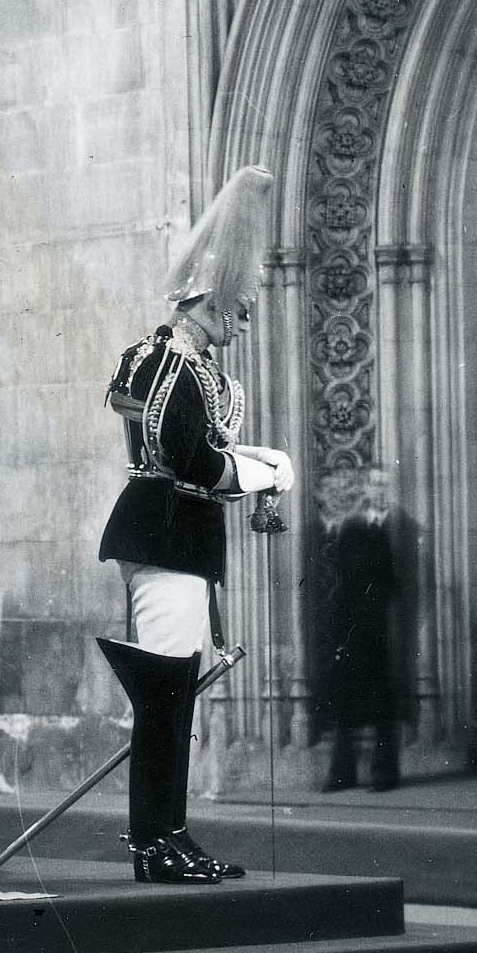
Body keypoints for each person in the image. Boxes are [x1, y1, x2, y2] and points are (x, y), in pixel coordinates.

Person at [97, 168, 294, 882]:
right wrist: (257, 472)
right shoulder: (170, 364)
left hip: (177, 534)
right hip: (164, 530)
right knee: (166, 692)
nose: (240, 324)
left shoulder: (187, 367)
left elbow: (197, 449)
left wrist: (251, 457)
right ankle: (156, 844)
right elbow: (185, 457)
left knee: (172, 693)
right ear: (206, 303)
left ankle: (168, 836)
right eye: (235, 311)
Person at [315, 467, 401, 793]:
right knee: (345, 703)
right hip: (350, 630)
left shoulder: (384, 530)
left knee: (381, 704)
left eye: (383, 485)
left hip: (376, 630)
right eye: (372, 485)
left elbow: (388, 582)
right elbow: (342, 583)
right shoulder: (351, 530)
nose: (377, 491)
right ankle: (342, 773)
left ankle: (384, 772)